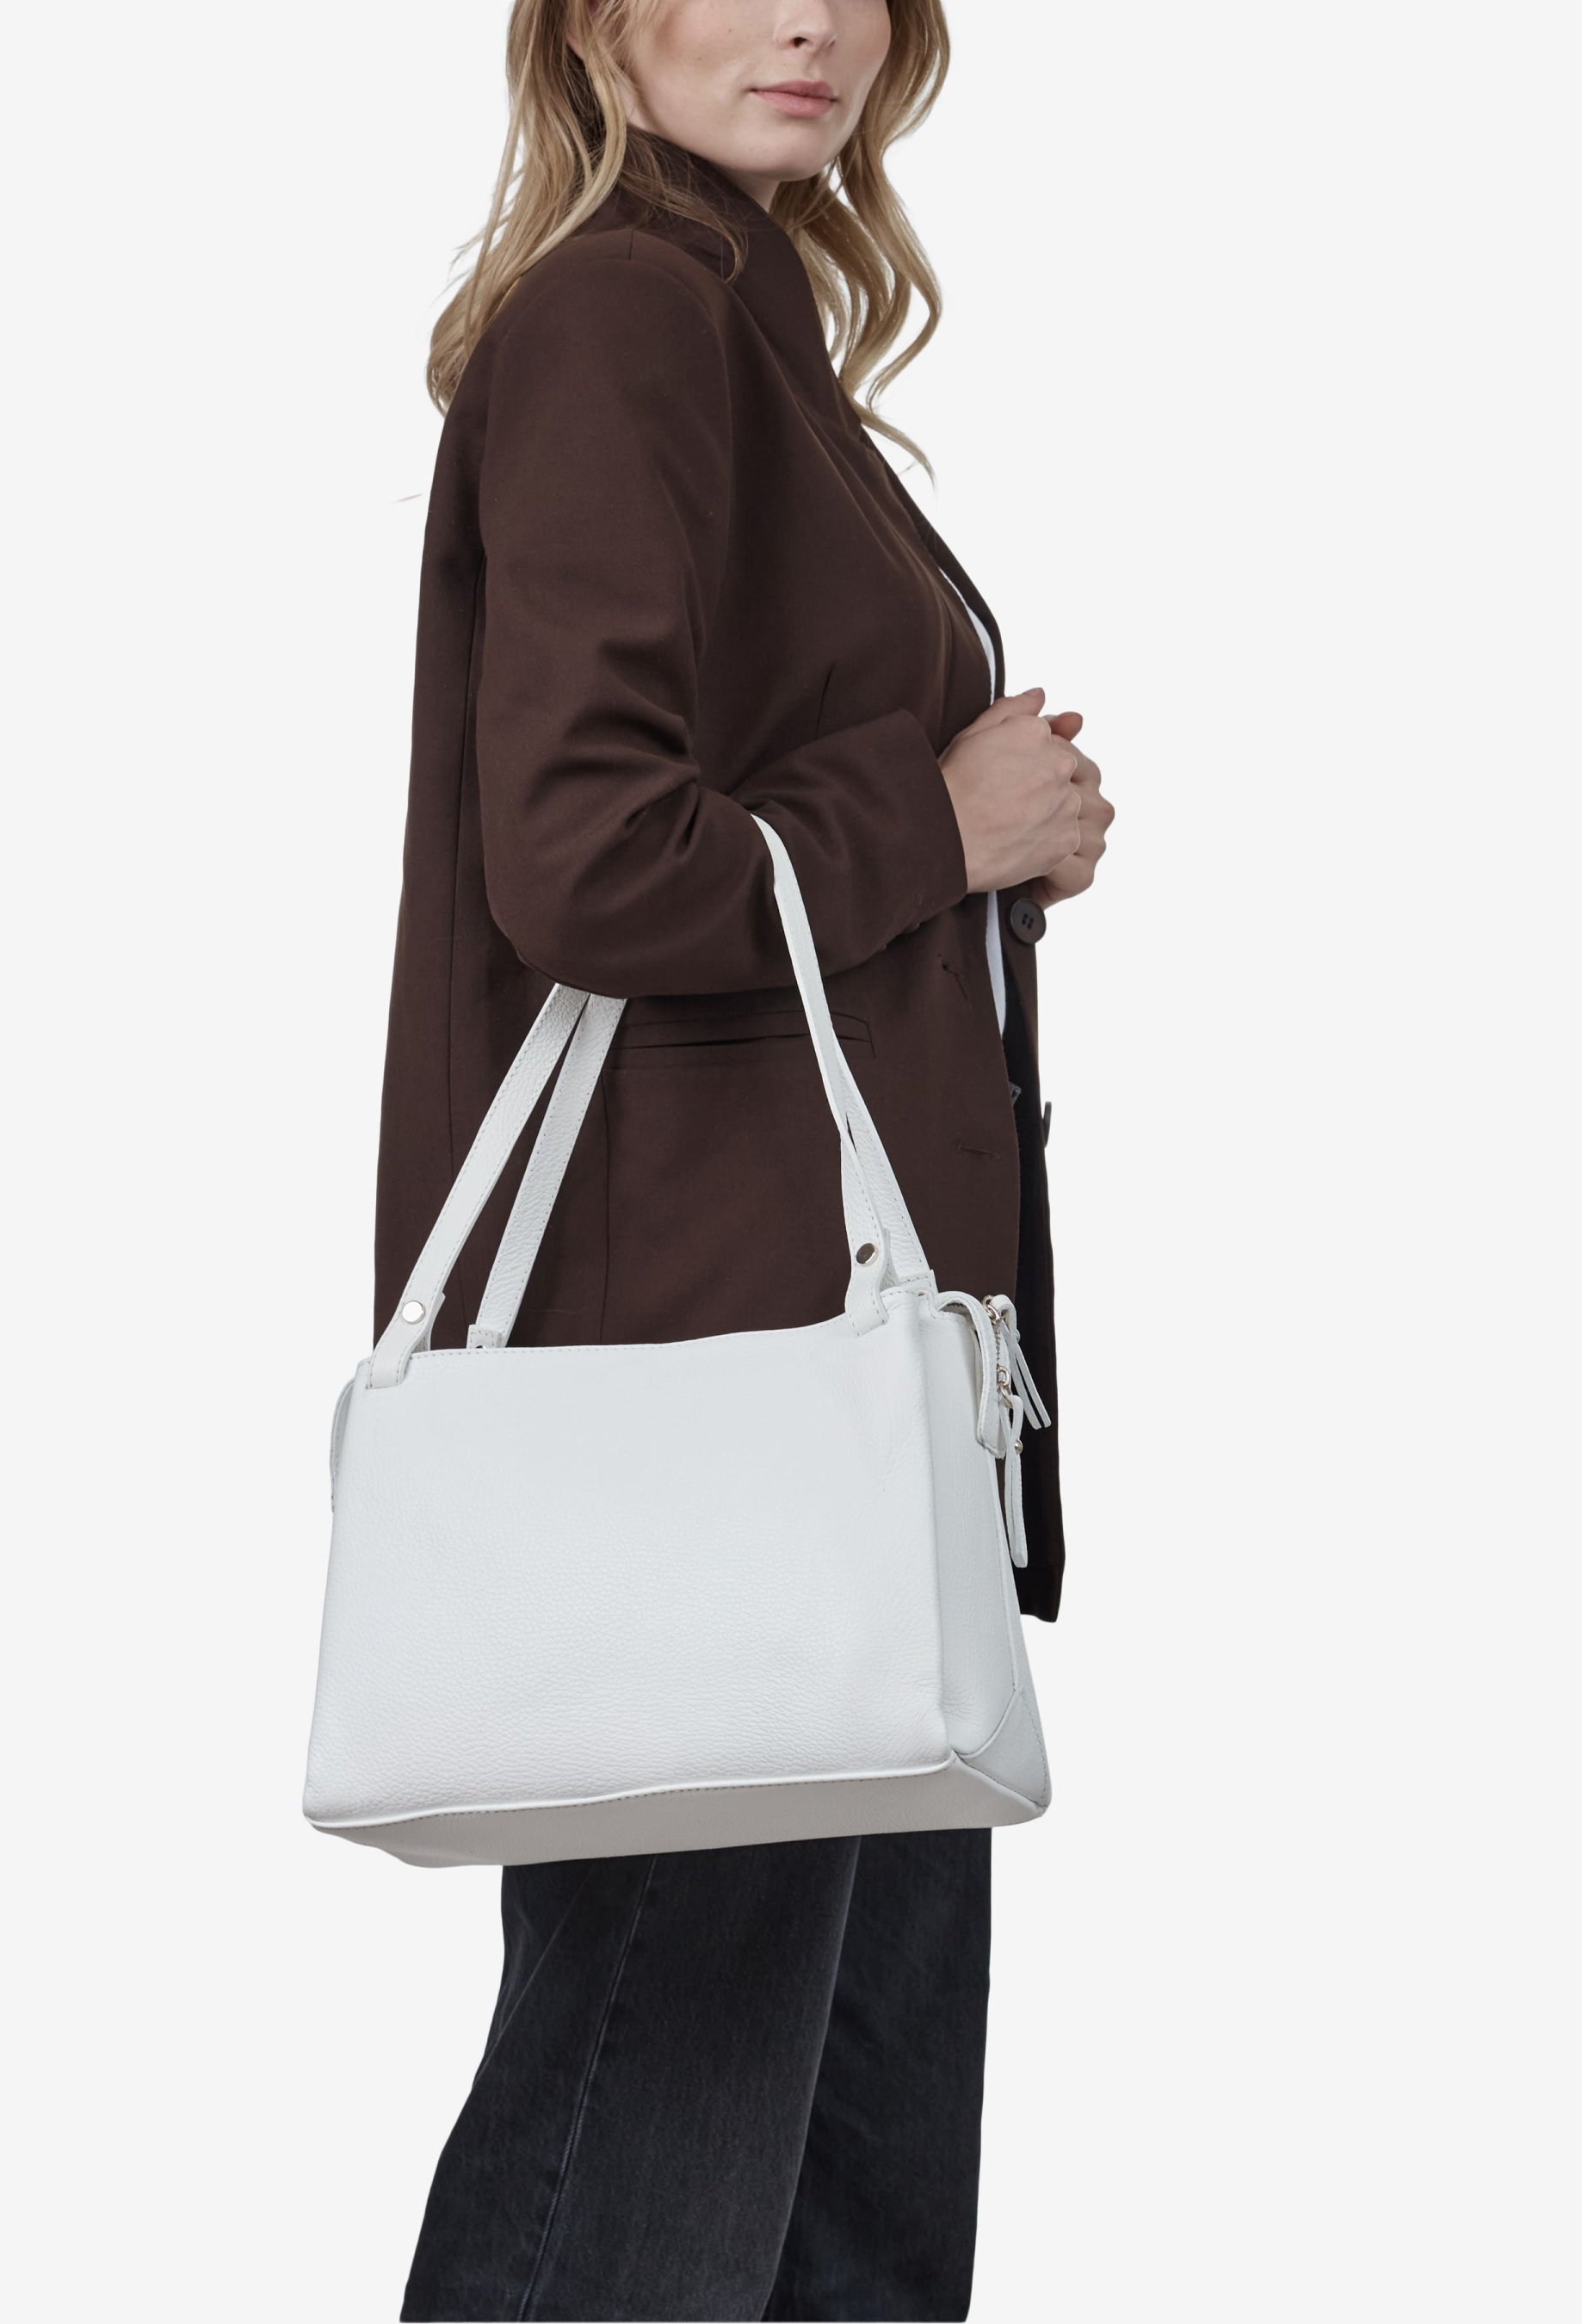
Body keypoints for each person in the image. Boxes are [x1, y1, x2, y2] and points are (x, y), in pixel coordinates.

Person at [375, 4, 1114, 2316]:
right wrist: (936, 820)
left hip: (830, 1392)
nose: (810, 20)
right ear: (594, 22)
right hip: (716, 1390)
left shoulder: (742, 313)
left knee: (837, 2186)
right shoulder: (627, 312)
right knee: (654, 2147)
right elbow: (584, 858)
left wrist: (978, 851)